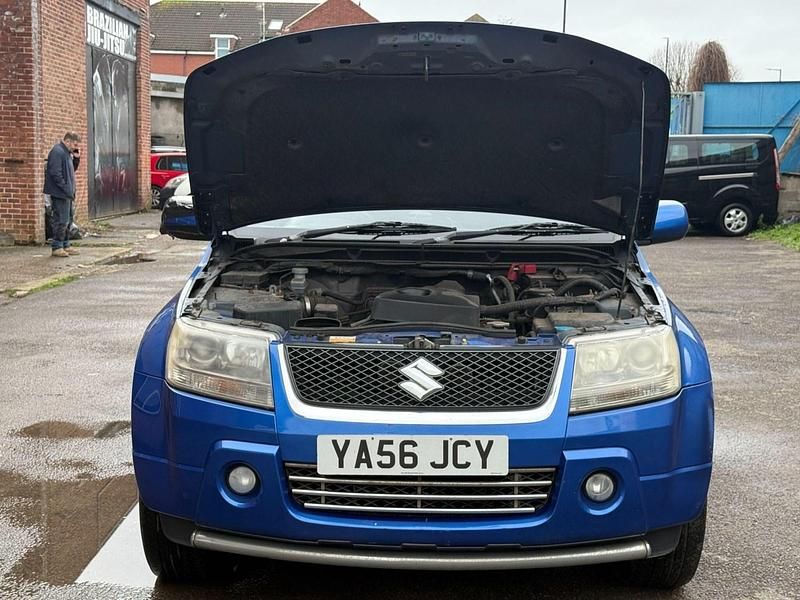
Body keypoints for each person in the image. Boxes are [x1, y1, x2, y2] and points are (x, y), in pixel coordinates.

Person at [43, 132, 81, 257]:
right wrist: (65, 188)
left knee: (68, 220)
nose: (75, 147)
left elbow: (71, 170)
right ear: (68, 141)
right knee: (61, 220)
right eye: (74, 144)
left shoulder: (66, 153)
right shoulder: (57, 152)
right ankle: (57, 246)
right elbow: (55, 173)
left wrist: (76, 159)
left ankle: (65, 244)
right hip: (60, 193)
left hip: (67, 193)